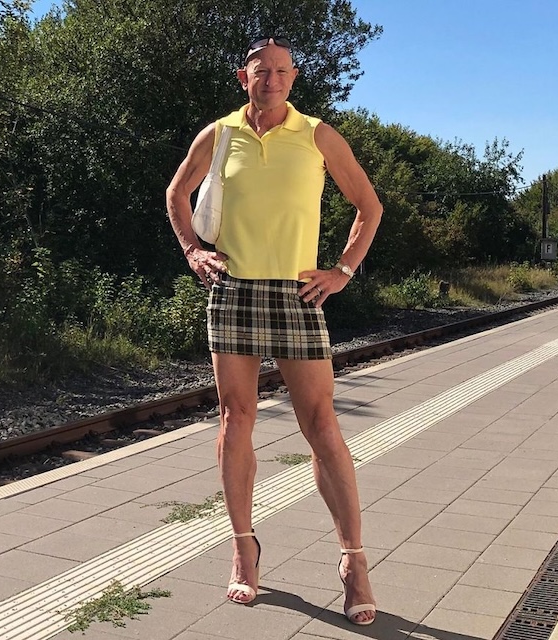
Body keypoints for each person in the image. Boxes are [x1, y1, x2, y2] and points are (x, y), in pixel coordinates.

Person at [166, 35, 383, 626]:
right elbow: (176, 193)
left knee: (321, 424)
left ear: (293, 77)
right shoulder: (218, 134)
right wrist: (192, 250)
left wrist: (341, 271)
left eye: (283, 72)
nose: (273, 80)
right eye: (262, 72)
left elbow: (369, 205)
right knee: (237, 417)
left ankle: (353, 560)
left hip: (297, 292)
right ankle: (243, 547)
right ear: (245, 77)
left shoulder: (317, 134)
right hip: (233, 290)